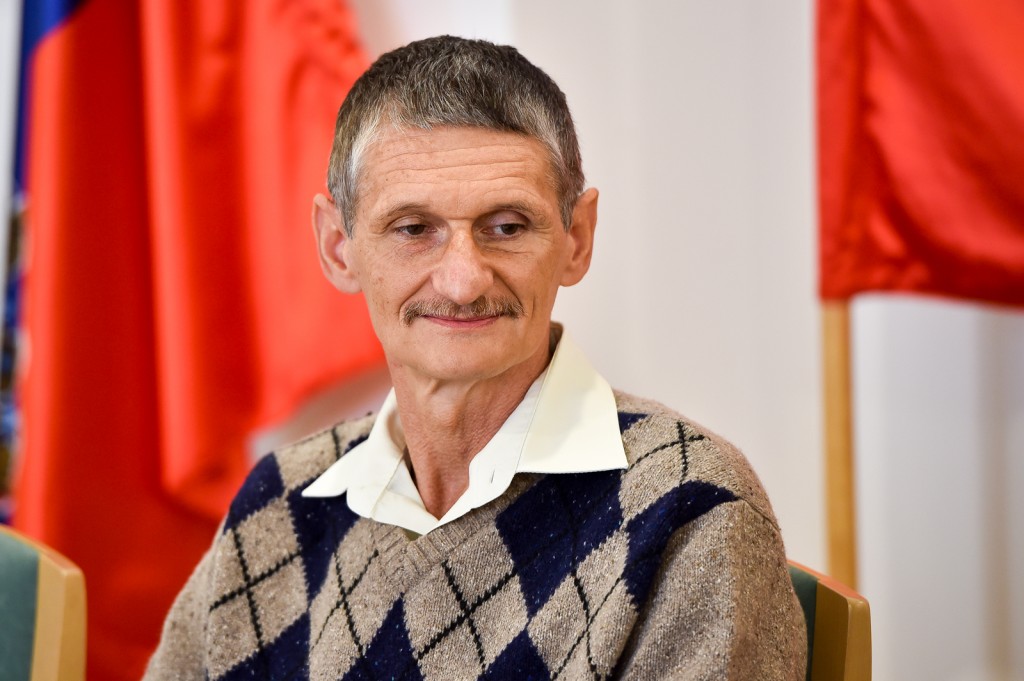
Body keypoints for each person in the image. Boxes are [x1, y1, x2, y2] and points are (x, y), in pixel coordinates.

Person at [145, 35, 806, 680]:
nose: (463, 281)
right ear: (338, 247)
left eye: (507, 227)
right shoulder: (277, 501)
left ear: (576, 239)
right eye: (414, 229)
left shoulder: (689, 510)